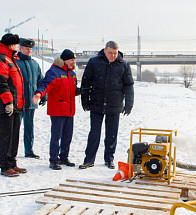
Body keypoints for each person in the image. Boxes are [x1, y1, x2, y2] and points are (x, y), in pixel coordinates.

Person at [79, 40, 134, 169]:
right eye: (110, 53)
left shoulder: (124, 65)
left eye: (115, 53)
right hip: (96, 104)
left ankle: (109, 159)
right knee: (94, 134)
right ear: (104, 51)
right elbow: (86, 83)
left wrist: (129, 104)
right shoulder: (94, 62)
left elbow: (129, 86)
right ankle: (89, 160)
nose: (113, 56)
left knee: (111, 134)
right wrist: (85, 101)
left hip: (114, 106)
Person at [33, 49, 80, 170]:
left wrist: (79, 91)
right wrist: (39, 93)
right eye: (71, 60)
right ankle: (53, 160)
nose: (73, 62)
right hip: (58, 110)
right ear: (64, 61)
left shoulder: (72, 74)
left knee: (67, 136)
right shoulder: (54, 71)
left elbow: (72, 90)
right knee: (56, 136)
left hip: (69, 110)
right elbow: (46, 84)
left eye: (74, 60)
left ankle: (64, 157)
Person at [0, 33, 27, 177]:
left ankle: (12, 162)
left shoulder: (10, 58)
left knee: (14, 134)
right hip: (4, 104)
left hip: (14, 104)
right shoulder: (0, 57)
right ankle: (5, 166)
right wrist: (8, 101)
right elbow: (0, 82)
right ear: (12, 45)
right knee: (6, 135)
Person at [16, 38, 45, 158]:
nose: (29, 51)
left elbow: (41, 81)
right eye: (26, 49)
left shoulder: (34, 64)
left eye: (30, 49)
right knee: (15, 129)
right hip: (18, 103)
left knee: (29, 128)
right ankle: (12, 152)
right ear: (20, 48)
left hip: (31, 102)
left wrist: (43, 96)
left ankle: (29, 150)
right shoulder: (15, 63)